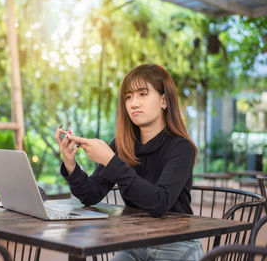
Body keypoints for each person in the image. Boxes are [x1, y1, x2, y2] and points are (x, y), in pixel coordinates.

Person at [54, 64, 203, 261]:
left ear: (164, 100)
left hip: (177, 243)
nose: (133, 103)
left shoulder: (181, 147)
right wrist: (71, 165)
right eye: (128, 97)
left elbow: (159, 203)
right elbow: (91, 194)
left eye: (142, 94)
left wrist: (111, 161)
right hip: (135, 242)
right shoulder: (121, 145)